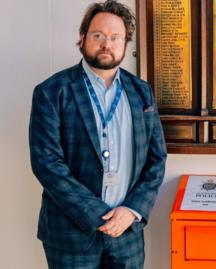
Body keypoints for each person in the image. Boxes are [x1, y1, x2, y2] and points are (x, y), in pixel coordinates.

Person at [29, 1, 167, 268]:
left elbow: (156, 158)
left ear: (126, 43)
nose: (107, 43)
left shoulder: (142, 92)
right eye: (98, 35)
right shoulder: (51, 92)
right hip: (71, 236)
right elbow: (47, 164)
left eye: (116, 37)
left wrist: (131, 211)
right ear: (82, 38)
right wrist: (99, 215)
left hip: (127, 233)